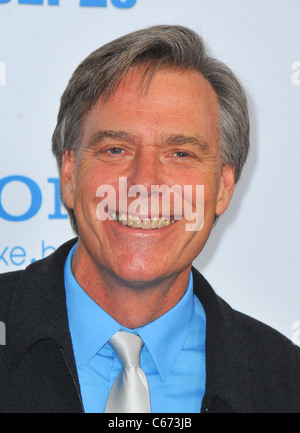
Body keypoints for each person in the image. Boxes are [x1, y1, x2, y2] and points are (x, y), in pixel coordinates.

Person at [0, 25, 299, 414]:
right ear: (69, 174)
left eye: (180, 154)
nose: (143, 184)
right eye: (116, 149)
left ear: (224, 187)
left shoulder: (285, 382)